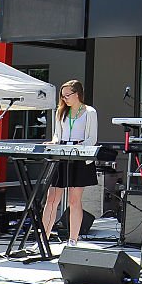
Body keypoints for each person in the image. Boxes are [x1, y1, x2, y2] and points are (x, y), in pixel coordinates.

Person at [41, 80, 98, 247]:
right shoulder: (60, 111)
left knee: (74, 200)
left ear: (77, 94)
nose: (64, 98)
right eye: (63, 96)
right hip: (62, 156)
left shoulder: (89, 112)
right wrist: (54, 143)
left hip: (79, 157)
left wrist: (78, 147)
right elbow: (57, 135)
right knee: (52, 198)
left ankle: (73, 239)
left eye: (68, 95)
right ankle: (43, 238)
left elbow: (92, 139)